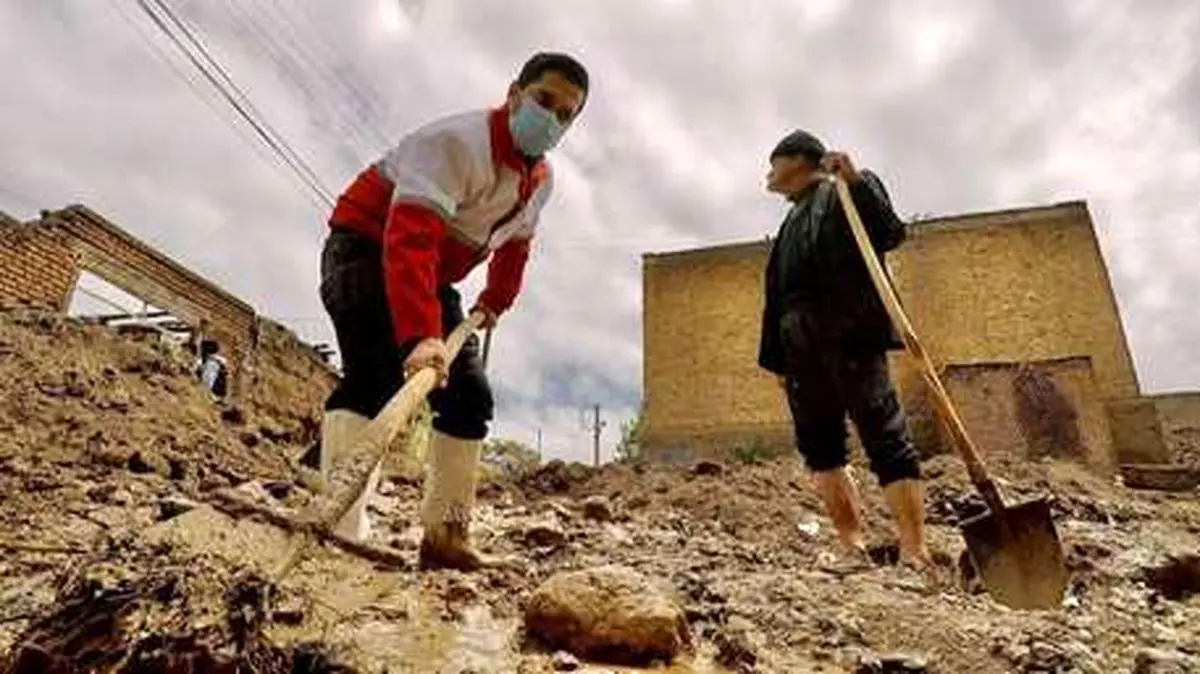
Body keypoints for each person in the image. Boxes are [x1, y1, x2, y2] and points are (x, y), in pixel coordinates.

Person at [316, 52, 589, 569]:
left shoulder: (541, 181)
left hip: (431, 278)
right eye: (543, 101)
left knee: (469, 396)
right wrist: (421, 336)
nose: (551, 119)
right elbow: (411, 240)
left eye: (566, 114)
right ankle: (338, 533)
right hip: (366, 249)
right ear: (514, 94)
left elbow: (516, 246)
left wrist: (494, 301)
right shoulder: (456, 143)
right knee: (374, 378)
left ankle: (446, 537)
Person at [757, 129, 932, 578]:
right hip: (799, 348)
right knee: (822, 450)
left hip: (849, 332)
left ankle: (914, 551)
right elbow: (776, 300)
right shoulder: (786, 229)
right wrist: (778, 358)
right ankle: (851, 545)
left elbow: (890, 232)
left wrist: (856, 181)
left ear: (797, 160)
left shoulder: (845, 193)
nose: (768, 175)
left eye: (773, 164)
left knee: (884, 436)